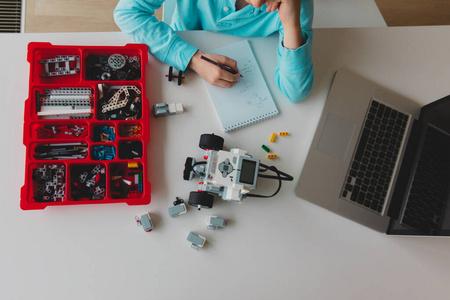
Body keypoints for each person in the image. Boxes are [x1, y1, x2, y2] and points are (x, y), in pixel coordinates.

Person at [114, 0, 313, 103]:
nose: (261, 2)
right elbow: (127, 12)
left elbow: (295, 92)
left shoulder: (295, 5)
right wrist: (193, 59)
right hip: (179, 51)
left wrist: (292, 24)